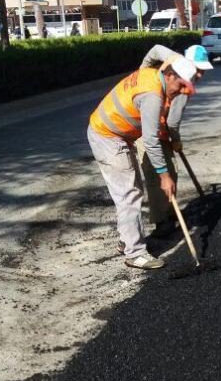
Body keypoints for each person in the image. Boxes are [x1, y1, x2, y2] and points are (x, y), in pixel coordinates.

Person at [87, 56, 199, 269]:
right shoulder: (153, 95)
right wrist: (164, 176)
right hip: (108, 137)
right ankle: (135, 253)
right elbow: (150, 140)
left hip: (115, 134)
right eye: (180, 85)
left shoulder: (152, 75)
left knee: (132, 189)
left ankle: (126, 239)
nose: (181, 91)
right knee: (129, 194)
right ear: (170, 75)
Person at [137, 44, 213, 237]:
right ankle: (162, 222)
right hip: (146, 130)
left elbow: (153, 50)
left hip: (156, 128)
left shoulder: (172, 67)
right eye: (199, 70)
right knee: (158, 176)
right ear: (188, 64)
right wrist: (176, 140)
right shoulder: (181, 83)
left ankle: (170, 214)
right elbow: (173, 122)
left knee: (171, 172)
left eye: (203, 71)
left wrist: (142, 71)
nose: (200, 75)